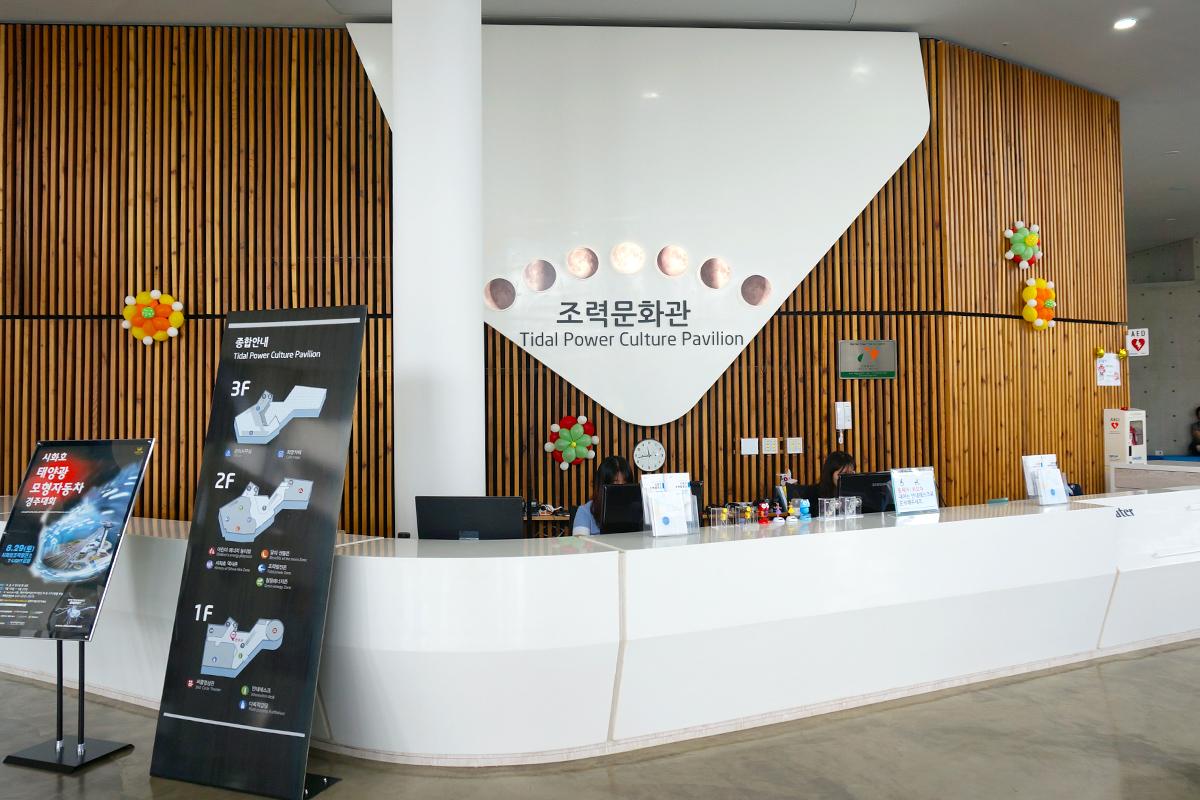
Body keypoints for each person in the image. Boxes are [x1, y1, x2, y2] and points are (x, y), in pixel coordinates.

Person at [572, 455, 635, 535]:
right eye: (615, 483)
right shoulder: (585, 512)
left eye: (625, 483)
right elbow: (580, 545)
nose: (621, 489)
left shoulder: (638, 509)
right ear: (602, 485)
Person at [812, 451, 856, 515]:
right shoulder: (814, 494)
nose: (847, 478)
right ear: (830, 474)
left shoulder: (857, 492)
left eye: (851, 474)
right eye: (842, 475)